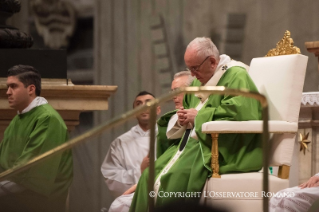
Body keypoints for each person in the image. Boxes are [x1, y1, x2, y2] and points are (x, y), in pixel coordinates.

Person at [129, 37, 262, 211]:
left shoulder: (237, 76)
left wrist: (198, 117)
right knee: (148, 175)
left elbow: (242, 112)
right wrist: (184, 118)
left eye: (195, 68)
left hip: (219, 146)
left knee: (175, 177)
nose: (192, 75)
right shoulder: (201, 78)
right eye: (189, 68)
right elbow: (191, 106)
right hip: (194, 142)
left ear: (212, 62)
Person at [0, 65, 73, 212]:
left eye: (13, 86)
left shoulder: (47, 118)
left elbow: (31, 173)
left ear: (31, 89)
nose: (8, 92)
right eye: (8, 87)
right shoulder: (19, 118)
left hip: (37, 200)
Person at [101, 91, 161, 212]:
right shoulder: (120, 143)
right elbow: (110, 176)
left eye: (148, 103)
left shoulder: (169, 135)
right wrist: (140, 172)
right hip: (133, 200)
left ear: (158, 110)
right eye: (138, 104)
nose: (143, 106)